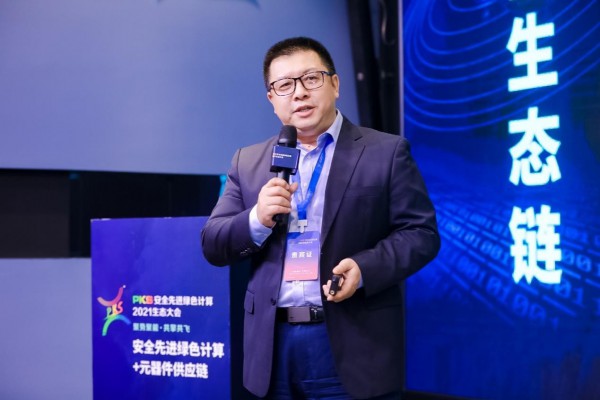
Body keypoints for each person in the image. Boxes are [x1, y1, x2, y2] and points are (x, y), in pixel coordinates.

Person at [202, 37, 440, 400]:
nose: (299, 93)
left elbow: (421, 233)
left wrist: (364, 268)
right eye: (284, 85)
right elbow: (213, 243)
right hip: (271, 347)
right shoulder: (247, 162)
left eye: (311, 78)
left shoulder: (385, 152)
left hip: (352, 343)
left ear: (335, 84)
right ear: (272, 99)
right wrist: (257, 218)